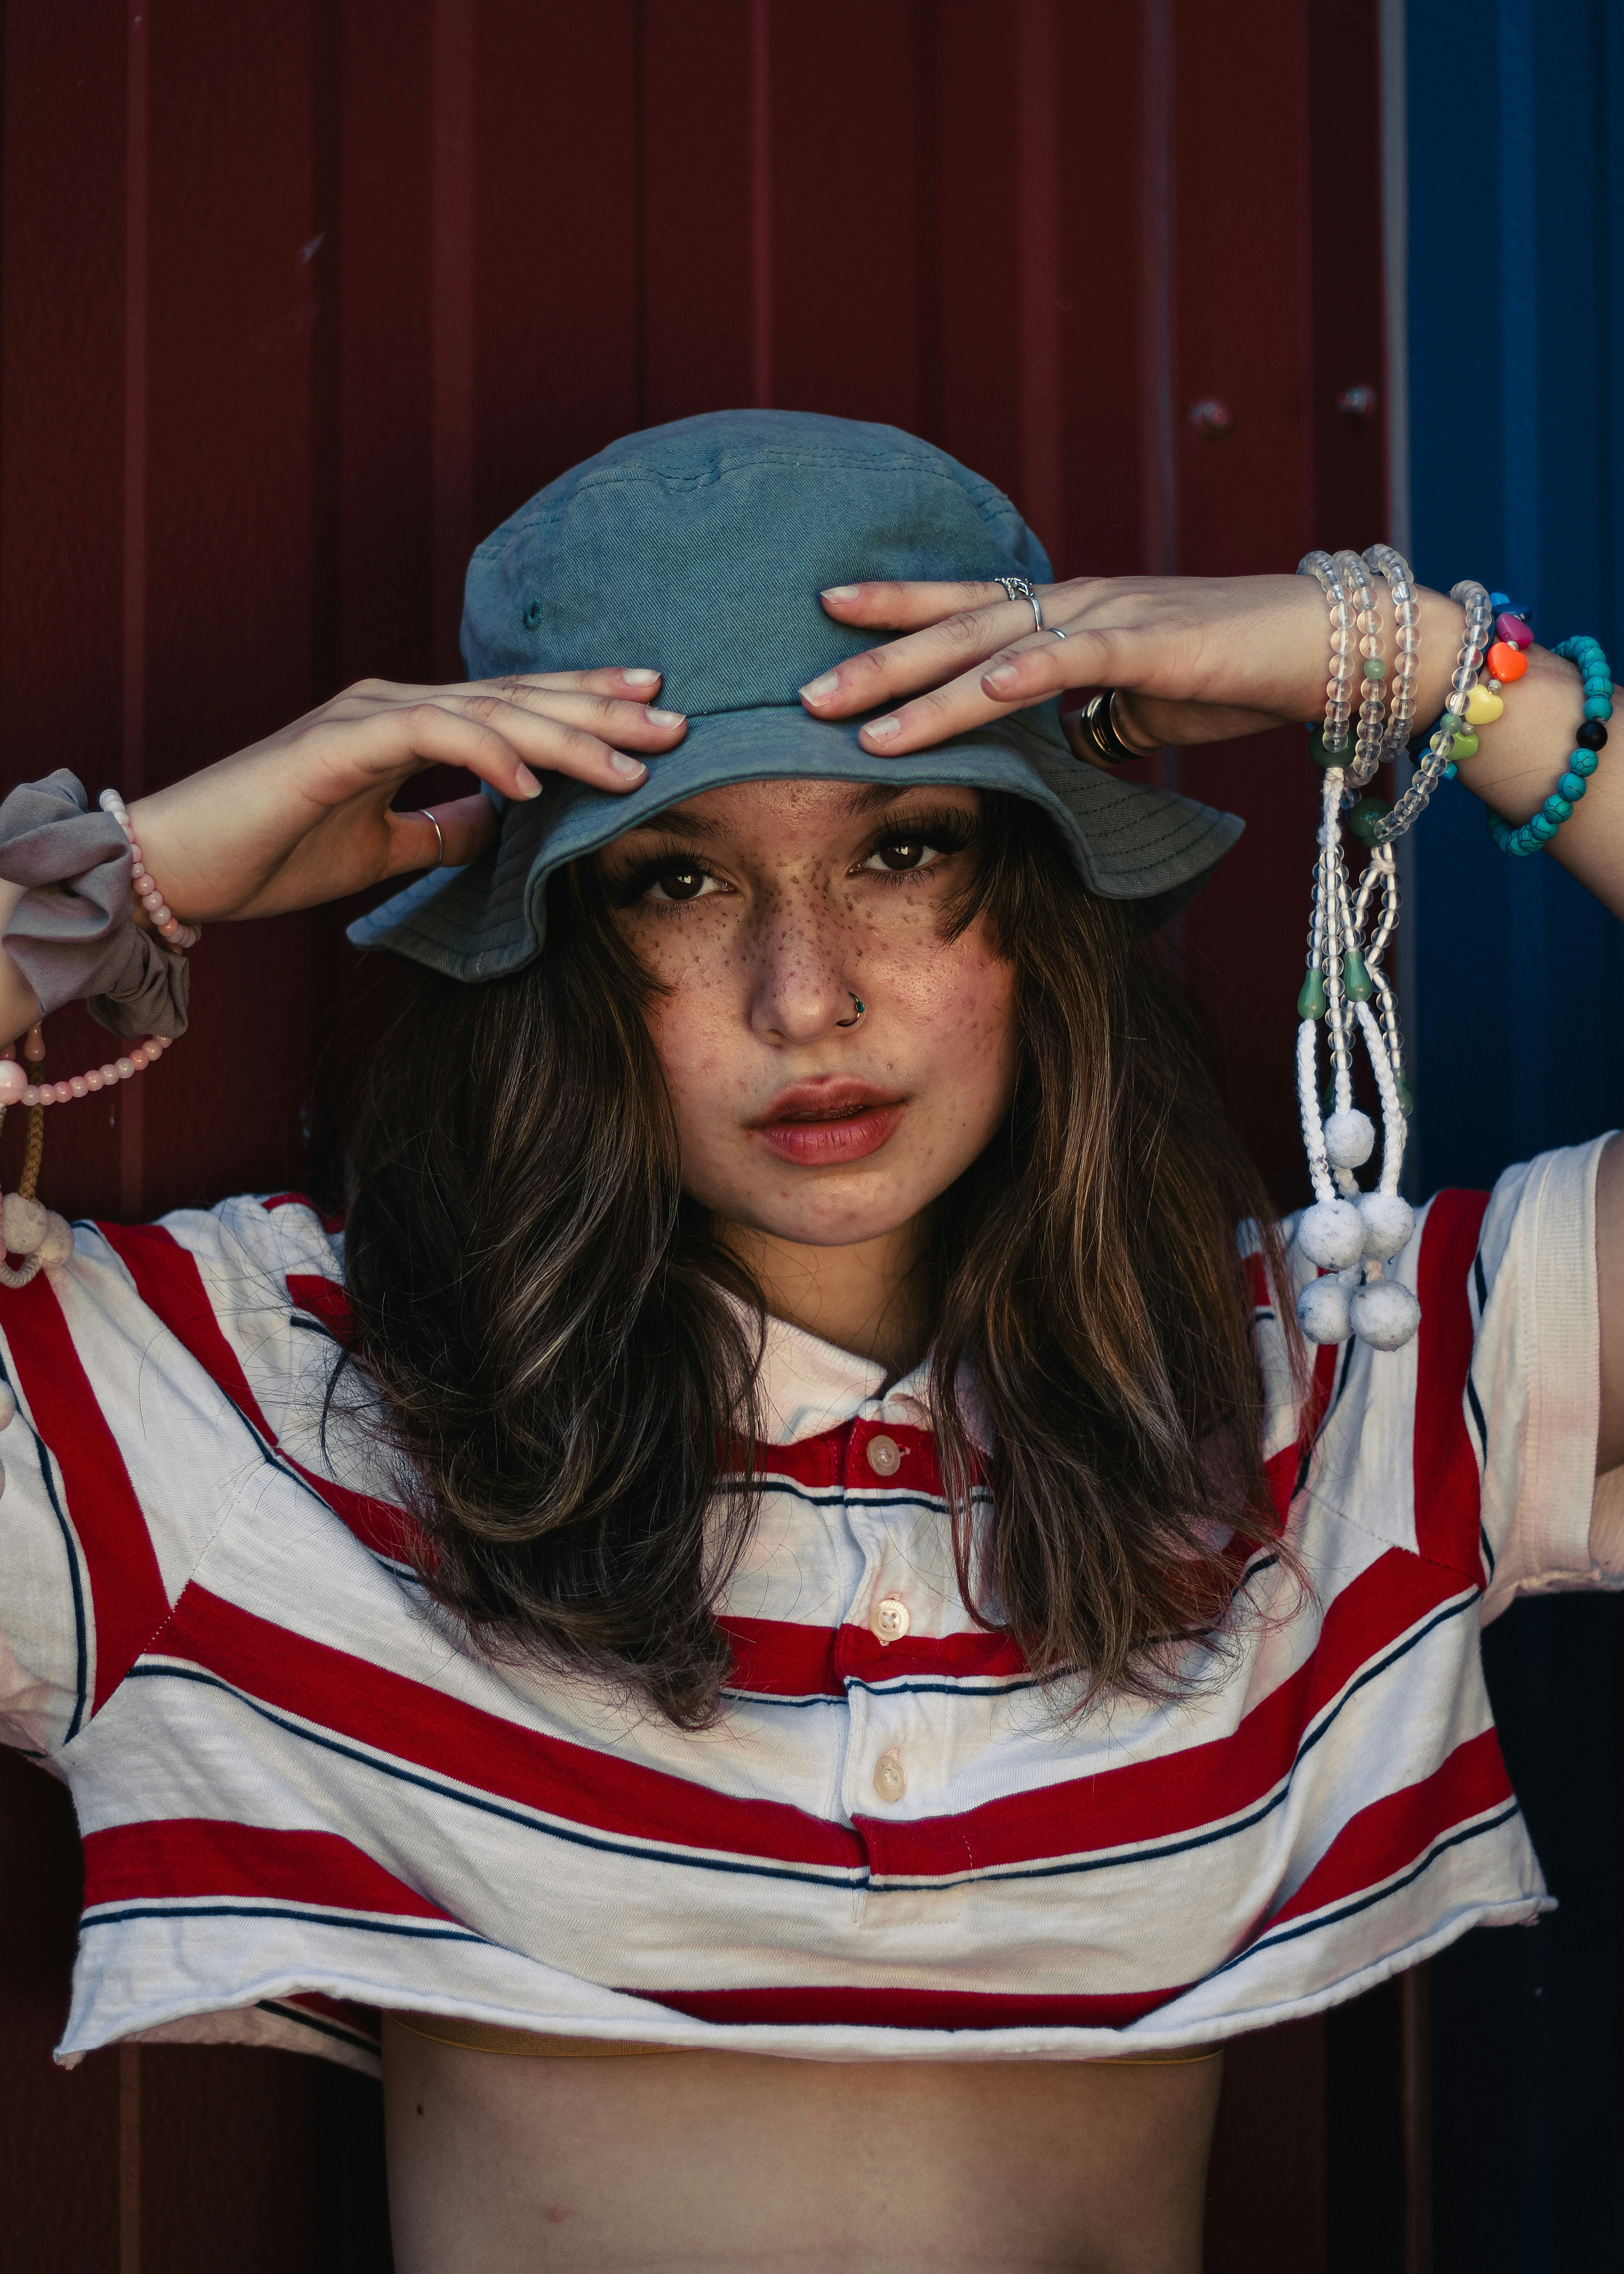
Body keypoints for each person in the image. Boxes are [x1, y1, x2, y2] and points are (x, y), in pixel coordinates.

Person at [1, 410, 1619, 2274]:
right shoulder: (278, 1408)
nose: (808, 992)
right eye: (674, 878)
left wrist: (1421, 666)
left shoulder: (1325, 1383)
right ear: (560, 946)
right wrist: (124, 889)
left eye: (907, 849)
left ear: (1038, 900)